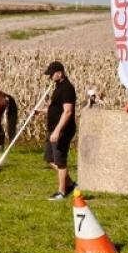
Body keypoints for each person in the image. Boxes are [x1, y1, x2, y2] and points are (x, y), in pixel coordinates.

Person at [43, 61, 77, 200]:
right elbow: (56, 108)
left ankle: (62, 192)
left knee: (60, 161)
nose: (50, 77)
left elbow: (68, 112)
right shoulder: (58, 87)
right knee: (49, 158)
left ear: (60, 73)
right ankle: (70, 184)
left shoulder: (67, 88)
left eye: (52, 74)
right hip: (53, 128)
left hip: (62, 130)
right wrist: (42, 111)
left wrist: (57, 131)